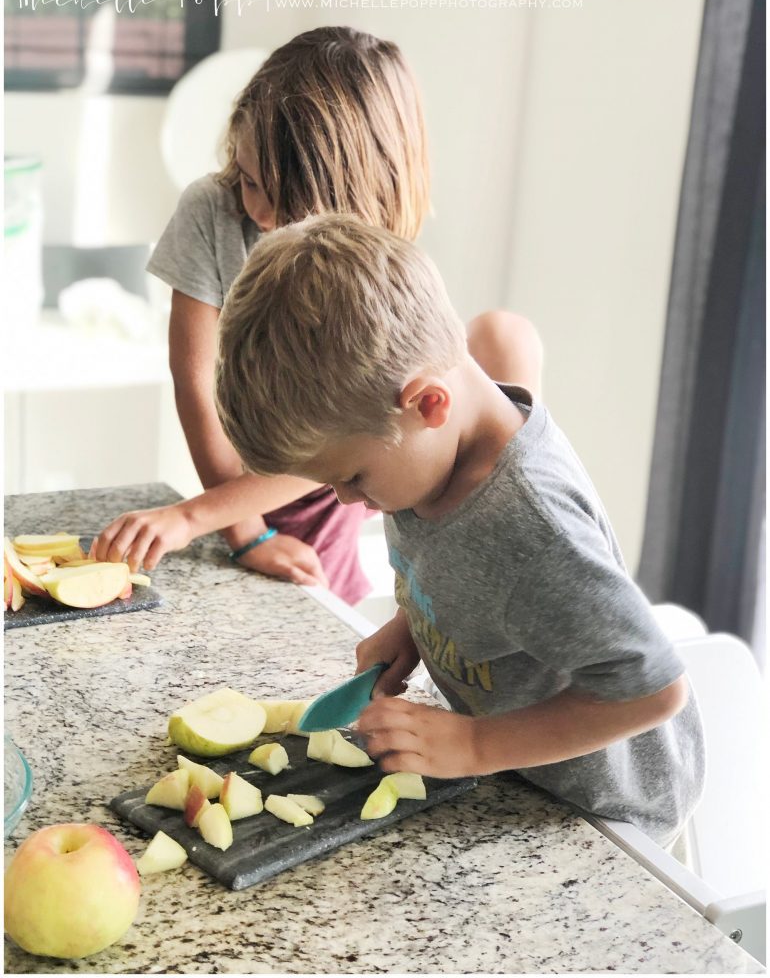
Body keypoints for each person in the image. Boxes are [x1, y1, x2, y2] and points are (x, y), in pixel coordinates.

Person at [213, 212, 705, 848]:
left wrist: (476, 744)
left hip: (603, 815)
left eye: (355, 479)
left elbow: (654, 690)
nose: (347, 501)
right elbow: (459, 577)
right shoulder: (427, 463)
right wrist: (412, 627)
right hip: (519, 779)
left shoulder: (532, 528)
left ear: (427, 405)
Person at [92, 26, 543, 605]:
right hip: (248, 471)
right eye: (250, 179)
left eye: (281, 200)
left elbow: (353, 444)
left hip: (345, 464)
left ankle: (471, 578)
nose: (256, 212)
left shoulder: (372, 265)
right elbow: (195, 381)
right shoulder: (211, 208)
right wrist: (242, 532)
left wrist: (193, 517)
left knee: (507, 340)